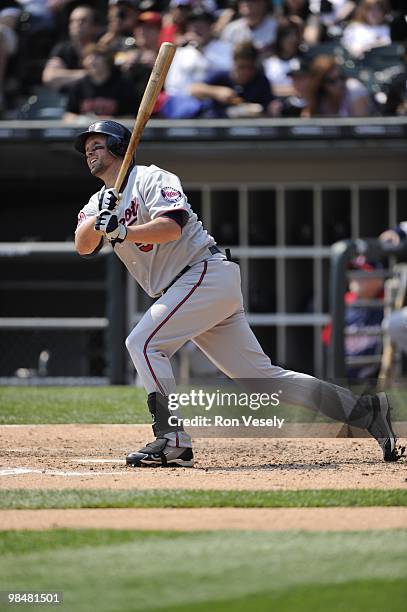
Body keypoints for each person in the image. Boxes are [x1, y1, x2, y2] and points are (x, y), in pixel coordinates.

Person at [73, 119, 404, 466]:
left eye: (98, 144)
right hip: (189, 289)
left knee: (142, 342)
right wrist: (100, 220)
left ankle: (172, 440)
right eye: (86, 149)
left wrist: (124, 229)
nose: (90, 153)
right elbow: (83, 246)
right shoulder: (99, 202)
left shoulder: (154, 178)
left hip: (204, 273)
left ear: (121, 148)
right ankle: (365, 411)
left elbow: (171, 227)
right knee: (262, 379)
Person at [189, 40, 274, 117]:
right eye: (242, 67)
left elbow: (268, 109)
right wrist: (216, 92)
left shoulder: (261, 81)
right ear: (234, 63)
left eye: (250, 68)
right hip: (217, 127)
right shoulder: (221, 76)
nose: (246, 72)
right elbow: (193, 89)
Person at [63, 44, 141, 121]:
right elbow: (68, 115)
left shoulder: (124, 85)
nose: (91, 61)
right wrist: (82, 120)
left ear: (107, 60)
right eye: (87, 57)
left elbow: (131, 116)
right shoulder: (78, 86)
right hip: (87, 131)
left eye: (97, 56)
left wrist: (110, 121)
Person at [42, 5, 100, 92]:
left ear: (94, 26)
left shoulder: (101, 48)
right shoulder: (62, 48)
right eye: (73, 21)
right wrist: (87, 75)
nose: (77, 24)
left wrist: (65, 76)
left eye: (83, 20)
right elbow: (49, 77)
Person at [302, 54, 372, 117]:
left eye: (341, 77)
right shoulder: (316, 95)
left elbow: (359, 127)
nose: (340, 84)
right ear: (321, 84)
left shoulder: (354, 89)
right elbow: (307, 122)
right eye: (332, 81)